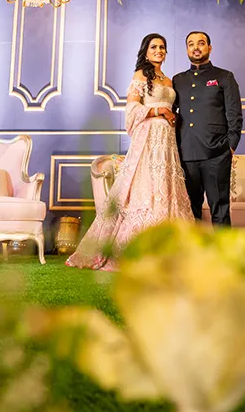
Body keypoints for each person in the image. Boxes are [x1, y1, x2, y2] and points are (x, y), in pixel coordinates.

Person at [66, 33, 193, 270]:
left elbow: (171, 107)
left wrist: (171, 116)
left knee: (165, 184)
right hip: (149, 136)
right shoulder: (141, 75)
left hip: (167, 139)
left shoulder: (168, 80)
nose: (159, 51)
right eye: (154, 47)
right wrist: (158, 112)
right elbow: (132, 108)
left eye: (162, 47)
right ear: (146, 51)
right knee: (147, 185)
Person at [172, 31, 243, 226]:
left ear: (209, 48)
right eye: (191, 44)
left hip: (216, 154)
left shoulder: (224, 77)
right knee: (190, 212)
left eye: (201, 43)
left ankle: (223, 247)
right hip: (186, 154)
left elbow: (235, 115)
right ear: (187, 49)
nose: (196, 47)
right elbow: (171, 114)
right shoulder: (178, 80)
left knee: (220, 210)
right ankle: (193, 248)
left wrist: (230, 147)